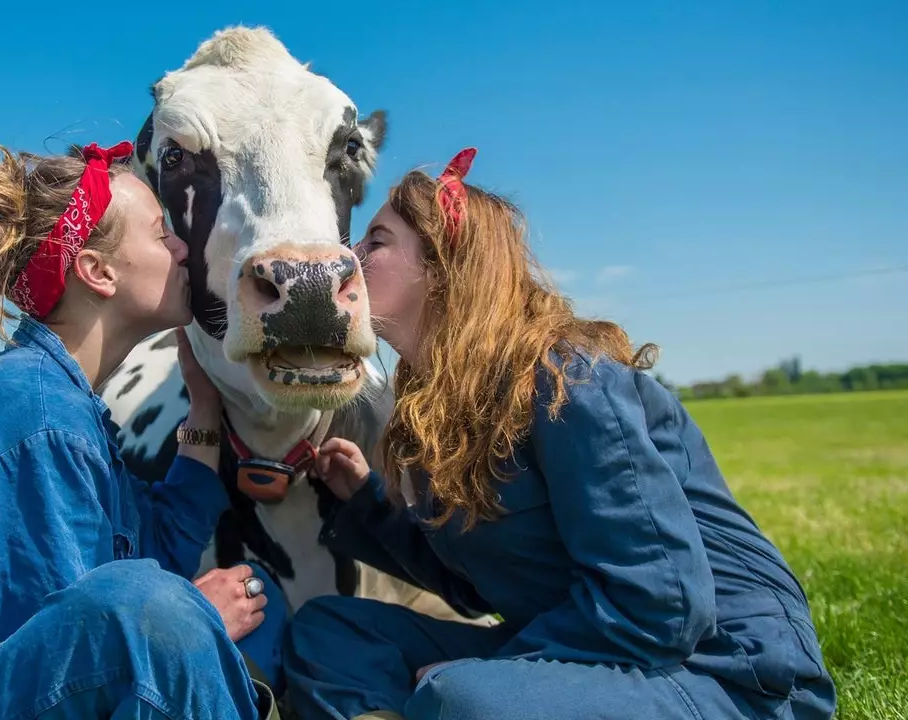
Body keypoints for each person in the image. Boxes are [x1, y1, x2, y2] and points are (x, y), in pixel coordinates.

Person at [284, 148, 836, 720]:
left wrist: (485, 675)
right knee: (331, 632)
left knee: (465, 700)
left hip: (725, 671)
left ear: (443, 264)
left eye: (375, 241)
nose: (350, 258)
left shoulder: (568, 381)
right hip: (593, 655)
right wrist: (367, 503)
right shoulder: (442, 410)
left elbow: (662, 605)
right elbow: (476, 586)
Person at [0, 140, 285, 720]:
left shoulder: (67, 404)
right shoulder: (33, 415)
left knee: (248, 594)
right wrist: (195, 615)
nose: (181, 249)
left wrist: (204, 413)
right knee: (156, 606)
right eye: (158, 232)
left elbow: (154, 549)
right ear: (98, 272)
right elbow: (75, 639)